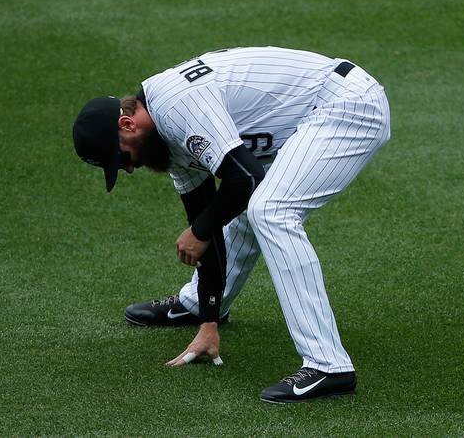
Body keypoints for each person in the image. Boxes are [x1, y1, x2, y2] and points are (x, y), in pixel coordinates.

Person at [72, 46, 390, 402]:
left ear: (127, 124)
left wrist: (200, 230)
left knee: (270, 210)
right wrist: (208, 319)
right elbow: (209, 218)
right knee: (241, 211)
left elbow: (245, 181)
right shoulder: (166, 141)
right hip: (306, 119)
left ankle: (329, 365)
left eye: (122, 157)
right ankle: (201, 304)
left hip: (345, 105)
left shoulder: (177, 107)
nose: (129, 168)